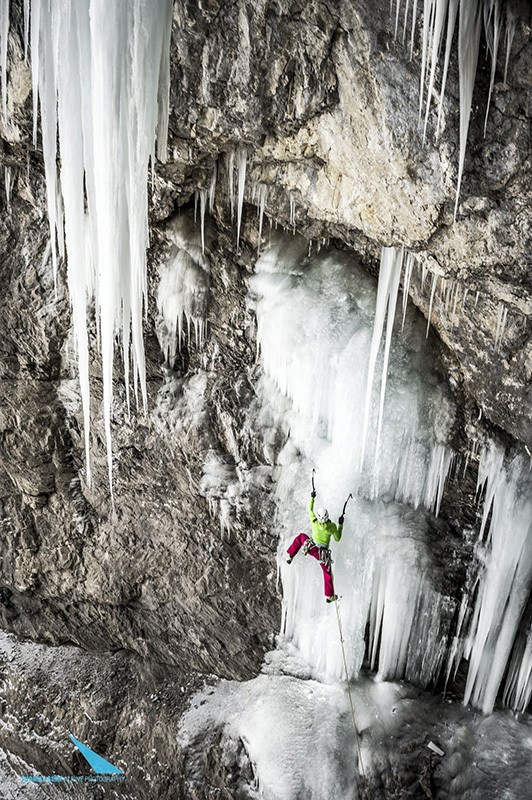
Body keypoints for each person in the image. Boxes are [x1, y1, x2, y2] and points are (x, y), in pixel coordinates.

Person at [286, 491, 344, 603]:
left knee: (301, 537)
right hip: (322, 554)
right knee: (327, 573)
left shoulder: (314, 521)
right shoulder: (332, 526)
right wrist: (340, 524)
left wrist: (312, 497)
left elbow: (310, 509)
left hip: (312, 547)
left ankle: (290, 555)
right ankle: (329, 596)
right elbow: (337, 538)